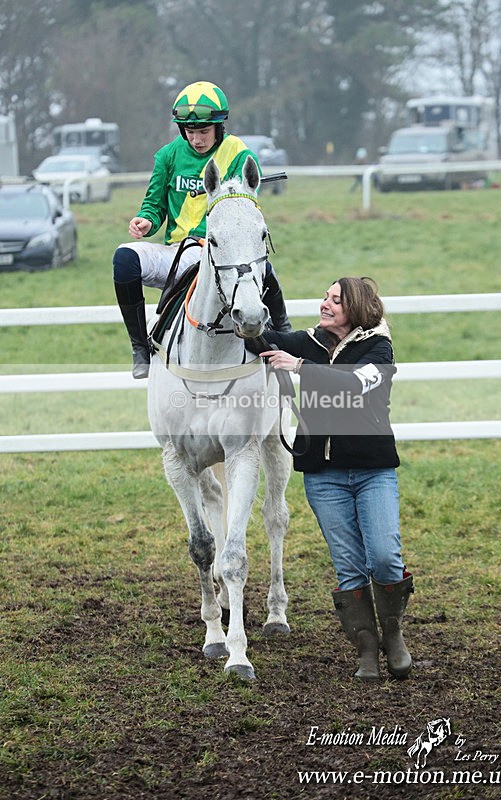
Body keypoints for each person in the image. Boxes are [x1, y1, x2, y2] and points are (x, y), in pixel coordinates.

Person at [258, 277, 413, 681]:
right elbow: (260, 338)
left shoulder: (379, 347)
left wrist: (300, 368)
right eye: (325, 297)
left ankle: (393, 634)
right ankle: (366, 651)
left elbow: (354, 385)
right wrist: (244, 306)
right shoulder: (308, 340)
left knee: (383, 557)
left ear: (356, 308)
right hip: (322, 477)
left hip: (372, 471)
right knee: (348, 566)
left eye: (335, 300)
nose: (324, 304)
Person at [113, 80, 290, 378]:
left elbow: (243, 217)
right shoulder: (167, 155)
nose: (196, 139)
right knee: (124, 258)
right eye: (190, 132)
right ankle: (140, 347)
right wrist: (146, 220)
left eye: (203, 131)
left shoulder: (240, 155)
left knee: (262, 265)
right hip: (176, 253)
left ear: (219, 127)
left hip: (219, 253)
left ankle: (282, 333)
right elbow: (154, 206)